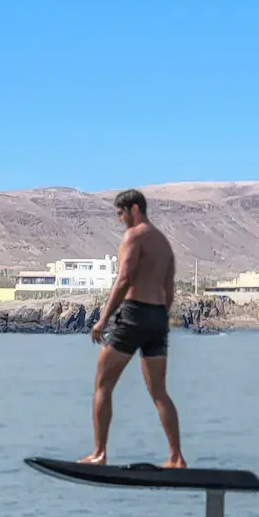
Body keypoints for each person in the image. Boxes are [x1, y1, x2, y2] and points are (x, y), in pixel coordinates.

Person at [82, 188, 185, 468]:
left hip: (133, 315)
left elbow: (125, 278)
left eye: (120, 213)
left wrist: (103, 319)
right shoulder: (164, 243)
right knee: (159, 392)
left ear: (134, 209)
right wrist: (158, 318)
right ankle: (176, 457)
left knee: (103, 384)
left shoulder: (134, 236)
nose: (119, 220)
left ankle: (99, 454)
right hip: (157, 318)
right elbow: (169, 287)